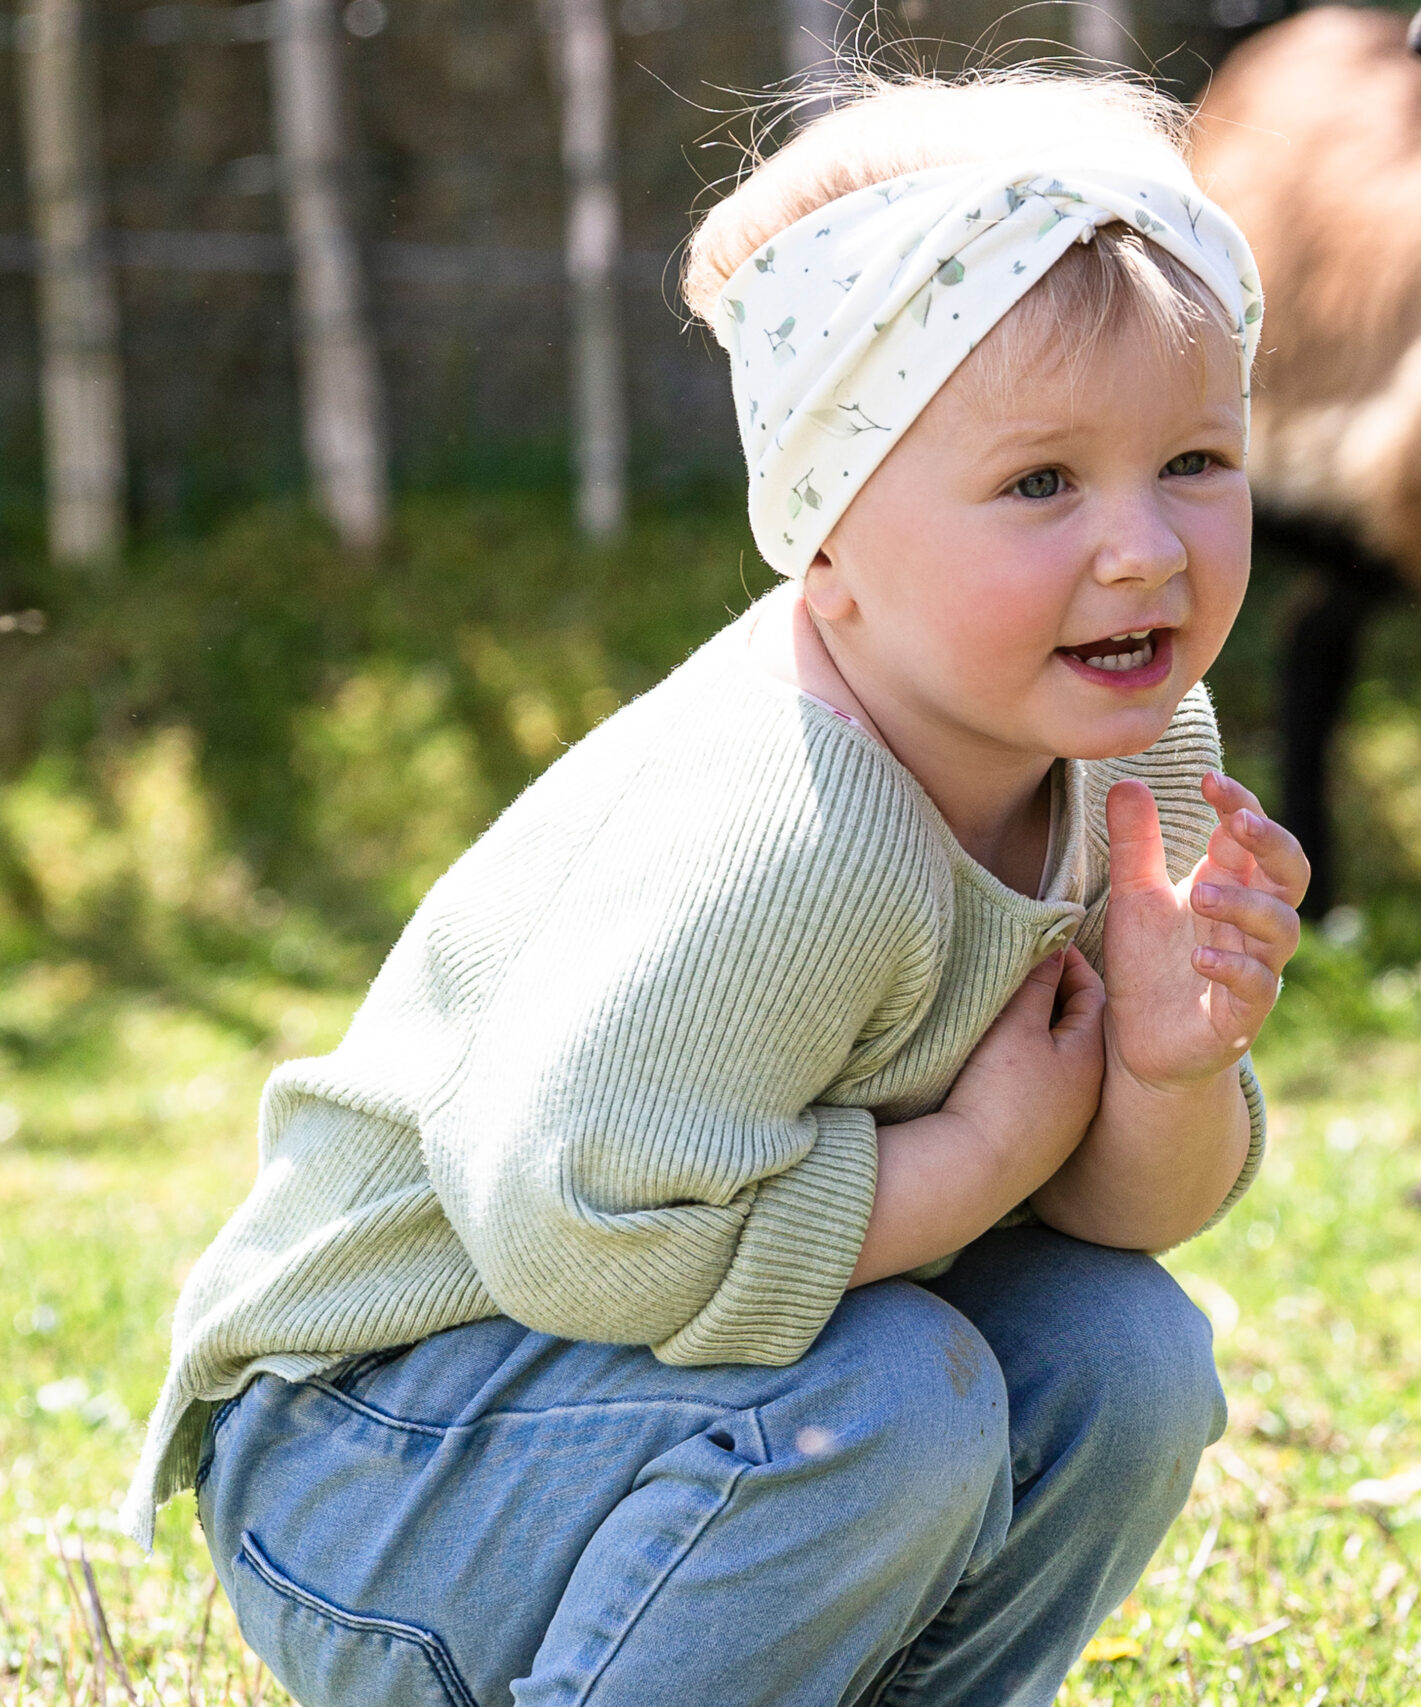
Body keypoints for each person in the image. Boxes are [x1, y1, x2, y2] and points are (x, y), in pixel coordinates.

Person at [121, 68, 1304, 1707]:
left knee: (1127, 1353)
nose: (1147, 549)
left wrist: (1167, 1065)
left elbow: (1127, 1219)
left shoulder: (1138, 748)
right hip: (381, 1456)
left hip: (644, 1416)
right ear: (828, 530)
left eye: (1193, 459)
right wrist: (968, 1161)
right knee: (890, 1392)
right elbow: (577, 1228)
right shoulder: (782, 834)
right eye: (1043, 484)